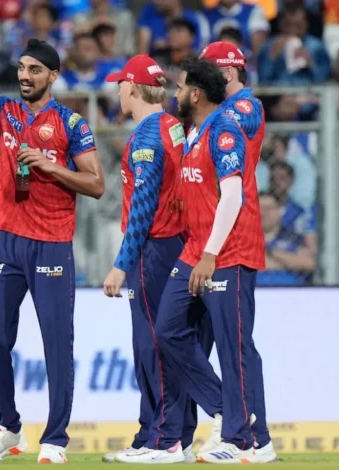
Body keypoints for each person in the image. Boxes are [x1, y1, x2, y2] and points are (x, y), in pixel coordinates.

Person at [0, 35, 105, 464]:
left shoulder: (71, 123)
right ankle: (8, 425)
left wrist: (51, 166)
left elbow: (96, 184)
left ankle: (56, 438)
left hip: (51, 244)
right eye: (22, 68)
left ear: (52, 75)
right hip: (5, 240)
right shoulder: (4, 112)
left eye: (35, 70)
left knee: (56, 344)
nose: (25, 76)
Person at [154, 57, 276, 464]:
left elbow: (233, 196)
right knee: (167, 329)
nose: (174, 93)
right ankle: (226, 408)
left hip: (226, 252)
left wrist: (209, 254)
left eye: (179, 87)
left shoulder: (224, 131)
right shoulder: (195, 131)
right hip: (195, 250)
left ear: (196, 93)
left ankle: (240, 439)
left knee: (233, 346)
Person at [98, 55, 204, 464]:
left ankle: (164, 440)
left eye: (121, 84)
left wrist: (121, 263)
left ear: (133, 87)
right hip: (178, 242)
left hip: (154, 249)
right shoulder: (174, 126)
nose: (118, 91)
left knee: (153, 344)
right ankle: (164, 433)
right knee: (170, 340)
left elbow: (143, 206)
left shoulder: (146, 137)